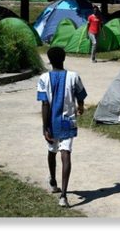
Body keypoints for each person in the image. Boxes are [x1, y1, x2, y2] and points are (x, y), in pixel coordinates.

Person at [37, 47, 87, 207]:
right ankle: (64, 196)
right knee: (66, 154)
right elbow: (80, 94)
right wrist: (80, 106)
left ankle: (53, 181)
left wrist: (45, 127)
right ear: (64, 58)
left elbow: (44, 103)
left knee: (52, 151)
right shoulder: (74, 76)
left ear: (49, 61)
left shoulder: (44, 78)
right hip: (68, 122)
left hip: (51, 122)